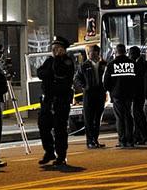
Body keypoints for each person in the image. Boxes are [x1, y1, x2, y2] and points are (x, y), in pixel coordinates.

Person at [37, 36, 74, 166]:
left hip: (61, 101)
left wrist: (58, 60)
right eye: (53, 49)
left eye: (57, 49)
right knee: (43, 126)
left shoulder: (67, 61)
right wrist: (50, 71)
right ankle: (49, 151)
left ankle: (61, 156)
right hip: (47, 100)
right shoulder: (49, 61)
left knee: (60, 129)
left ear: (63, 49)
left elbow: (60, 72)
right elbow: (40, 73)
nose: (54, 51)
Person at [103, 44, 136, 148]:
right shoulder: (132, 63)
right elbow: (138, 79)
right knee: (128, 116)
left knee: (120, 118)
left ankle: (122, 141)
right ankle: (130, 140)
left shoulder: (111, 64)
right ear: (125, 52)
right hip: (129, 94)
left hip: (117, 95)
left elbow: (106, 82)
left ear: (116, 52)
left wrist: (111, 91)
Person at [74, 45, 107, 149]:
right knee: (89, 119)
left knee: (97, 119)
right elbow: (77, 78)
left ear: (98, 53)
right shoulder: (84, 66)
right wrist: (84, 86)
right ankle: (89, 141)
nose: (90, 54)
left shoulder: (104, 65)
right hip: (89, 94)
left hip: (100, 94)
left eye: (93, 52)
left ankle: (95, 140)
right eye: (89, 52)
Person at [129, 46, 147, 145]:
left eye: (130, 54)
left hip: (138, 93)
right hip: (139, 93)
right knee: (137, 115)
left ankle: (144, 136)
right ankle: (138, 136)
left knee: (138, 115)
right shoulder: (141, 63)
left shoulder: (139, 64)